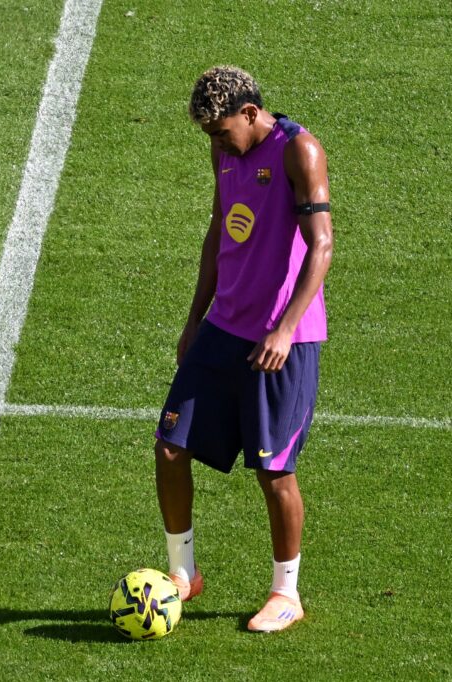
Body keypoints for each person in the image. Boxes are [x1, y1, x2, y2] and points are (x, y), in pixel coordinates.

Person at [154, 66, 333, 633]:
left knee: (274, 471)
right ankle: (184, 573)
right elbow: (217, 231)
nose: (216, 143)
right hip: (222, 329)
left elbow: (322, 247)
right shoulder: (225, 151)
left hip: (281, 339)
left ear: (252, 113)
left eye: (221, 131)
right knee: (169, 447)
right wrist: (193, 320)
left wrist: (283, 329)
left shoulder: (298, 151)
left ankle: (287, 593)